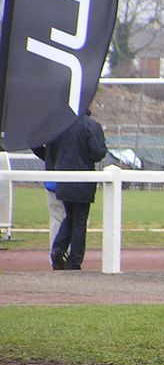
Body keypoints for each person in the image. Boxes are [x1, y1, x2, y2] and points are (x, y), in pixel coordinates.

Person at [32, 108, 108, 270]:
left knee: (69, 217)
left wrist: (53, 159)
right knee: (79, 220)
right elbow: (97, 153)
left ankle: (58, 249)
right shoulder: (91, 126)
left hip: (62, 179)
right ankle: (74, 260)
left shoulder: (59, 125)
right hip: (83, 180)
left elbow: (36, 143)